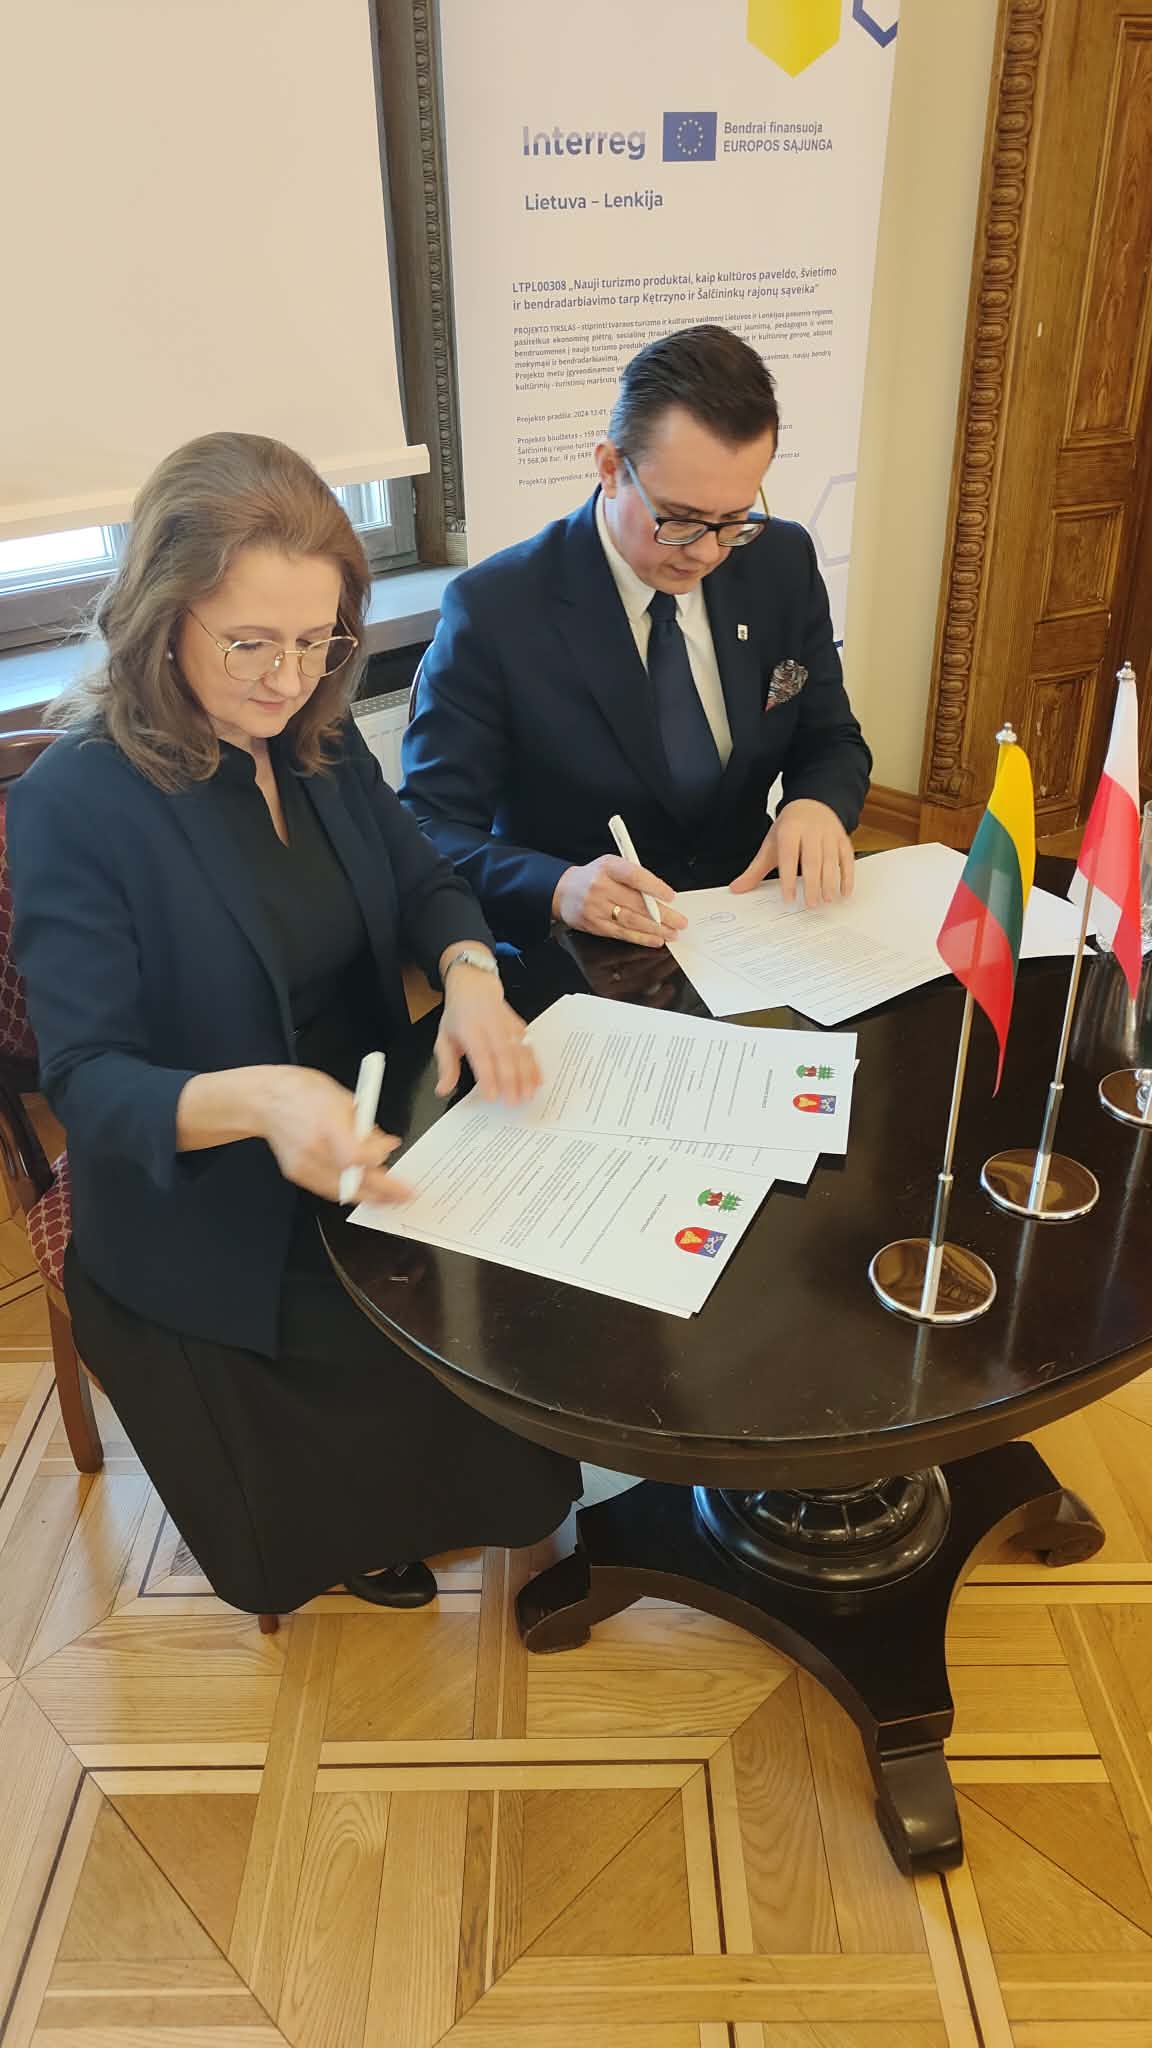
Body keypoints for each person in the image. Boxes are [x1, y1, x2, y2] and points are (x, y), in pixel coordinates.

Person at [9, 432, 580, 1617]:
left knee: (523, 1300)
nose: (288, 678)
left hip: (364, 1135)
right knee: (402, 1359)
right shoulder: (78, 800)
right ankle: (359, 1525)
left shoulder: (318, 738)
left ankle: (450, 1495)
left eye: (319, 640)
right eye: (251, 642)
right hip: (203, 1195)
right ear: (163, 617)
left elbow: (424, 881)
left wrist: (471, 973)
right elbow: (91, 1080)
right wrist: (266, 1098)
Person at [401, 323, 872, 949]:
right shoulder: (498, 610)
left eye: (733, 519)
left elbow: (831, 738)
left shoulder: (778, 562)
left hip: (751, 922)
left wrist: (815, 803)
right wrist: (558, 887)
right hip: (587, 946)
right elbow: (428, 825)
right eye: (680, 519)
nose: (707, 552)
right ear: (610, 469)